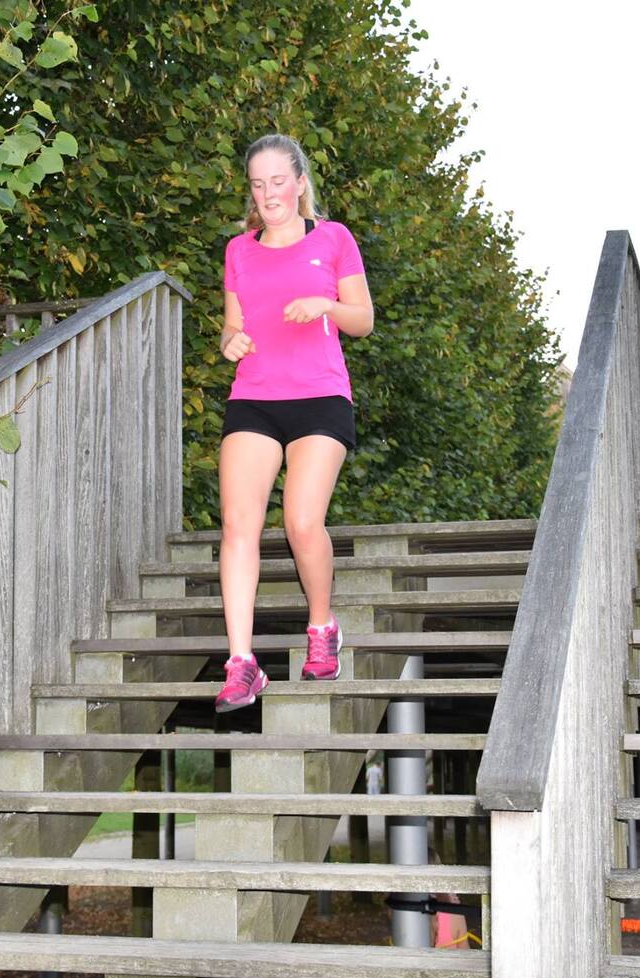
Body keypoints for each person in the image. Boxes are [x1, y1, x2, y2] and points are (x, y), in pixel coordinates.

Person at [212, 134, 374, 713]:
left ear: (300, 182)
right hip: (254, 397)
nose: (268, 193)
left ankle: (321, 626)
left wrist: (325, 306)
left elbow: (363, 320)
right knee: (238, 526)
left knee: (302, 522)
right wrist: (232, 342)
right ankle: (241, 664)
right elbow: (231, 327)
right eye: (257, 184)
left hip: (319, 396)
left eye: (277, 181)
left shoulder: (333, 239)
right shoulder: (238, 250)